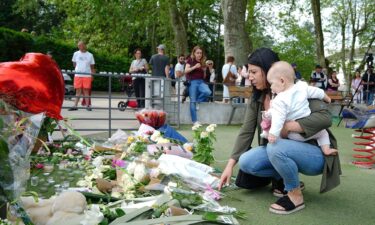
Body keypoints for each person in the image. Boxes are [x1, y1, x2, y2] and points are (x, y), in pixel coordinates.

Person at [219, 48, 341, 215]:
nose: (249, 76)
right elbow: (246, 131)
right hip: (281, 149)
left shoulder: (295, 89)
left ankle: (295, 196)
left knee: (275, 146)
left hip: (316, 151)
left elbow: (326, 118)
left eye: (254, 71)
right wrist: (230, 165)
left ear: (269, 69)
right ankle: (284, 178)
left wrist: (287, 127)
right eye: (249, 71)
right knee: (247, 162)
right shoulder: (258, 98)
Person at [263, 61, 338, 156]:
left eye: (272, 83)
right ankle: (326, 149)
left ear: (282, 81)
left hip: (293, 134)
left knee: (276, 139)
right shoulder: (302, 87)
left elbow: (278, 118)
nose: (271, 87)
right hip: (306, 126)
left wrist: (273, 134)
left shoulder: (280, 99)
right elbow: (316, 91)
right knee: (323, 133)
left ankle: (272, 144)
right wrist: (327, 98)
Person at [184, 46, 211, 124]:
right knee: (192, 101)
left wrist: (205, 70)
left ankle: (198, 101)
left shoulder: (203, 62)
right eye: (197, 53)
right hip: (192, 82)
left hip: (201, 81)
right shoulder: (190, 60)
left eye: (200, 53)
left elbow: (204, 76)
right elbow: (186, 71)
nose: (199, 54)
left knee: (208, 92)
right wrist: (195, 67)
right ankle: (195, 121)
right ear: (194, 53)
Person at [69, 41, 95, 111]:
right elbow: (74, 64)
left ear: (84, 45)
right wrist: (79, 69)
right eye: (78, 45)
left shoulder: (90, 55)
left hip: (87, 75)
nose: (79, 47)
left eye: (80, 45)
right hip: (78, 74)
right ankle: (75, 106)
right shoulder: (76, 54)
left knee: (86, 90)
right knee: (78, 91)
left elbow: (92, 66)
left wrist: (92, 75)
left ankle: (87, 106)